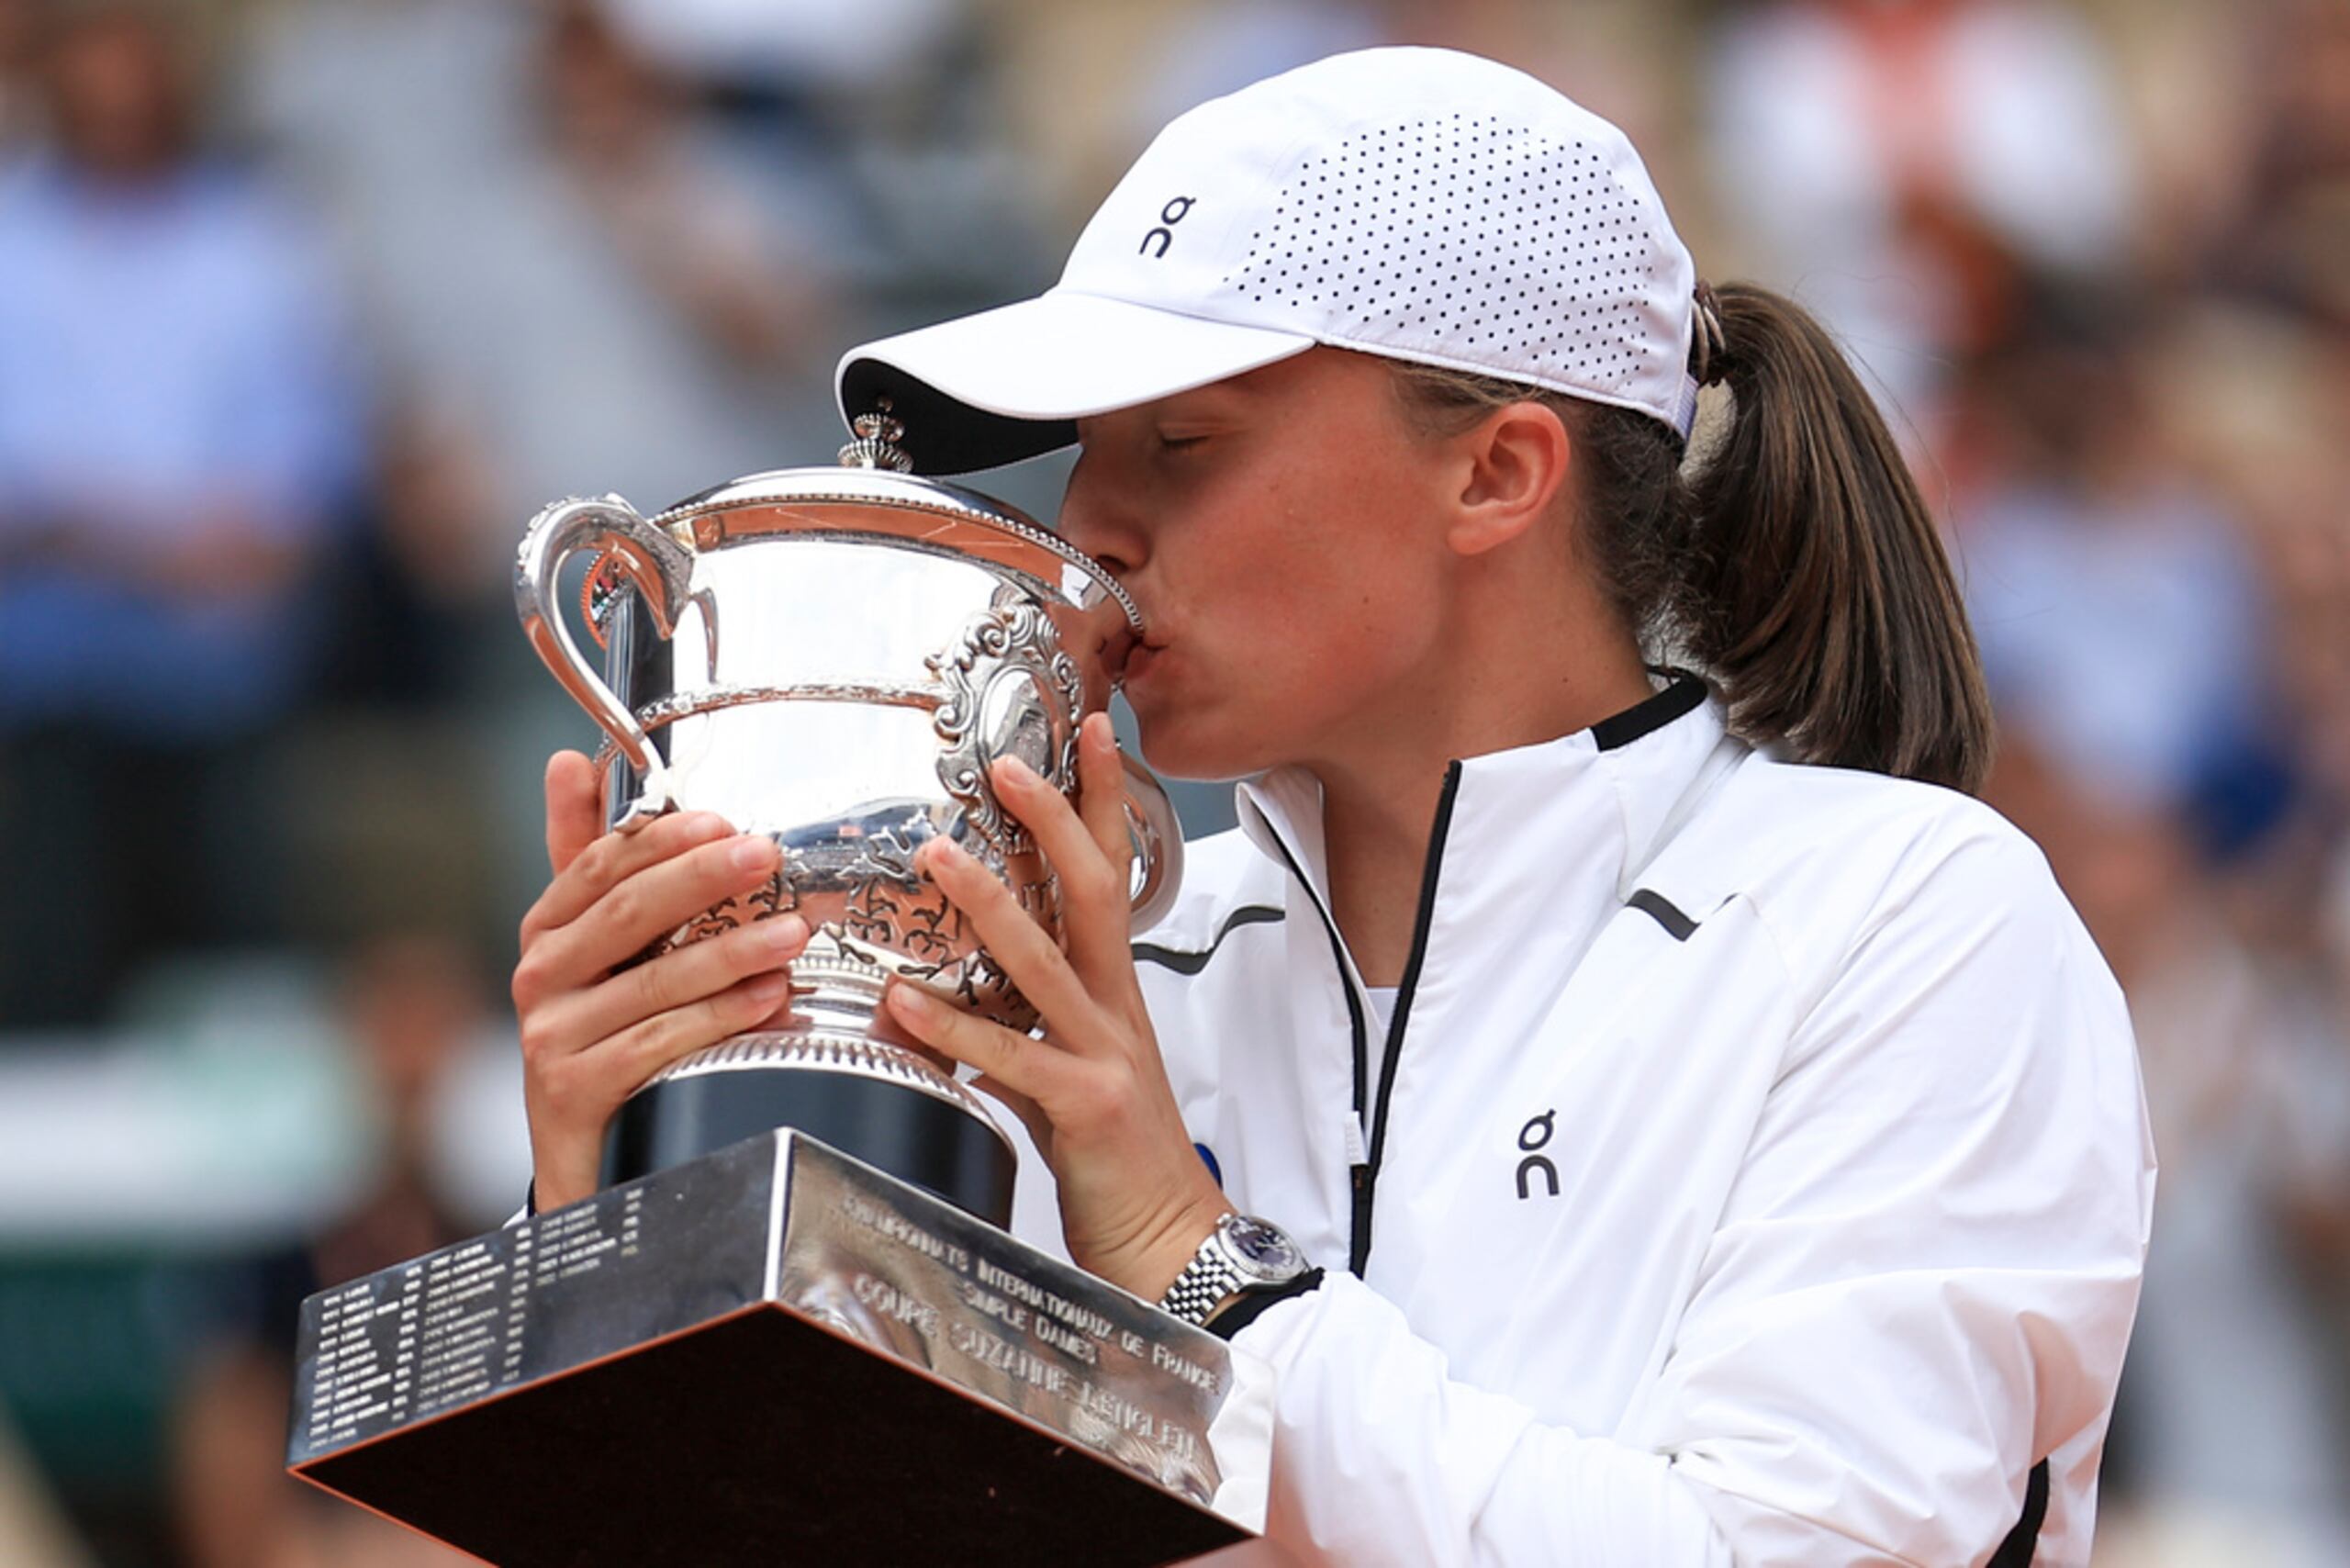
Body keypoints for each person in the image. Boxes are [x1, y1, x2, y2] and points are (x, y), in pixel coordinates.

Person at [509, 48, 2153, 1565]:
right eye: (1088, 449)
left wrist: (1191, 1265)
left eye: (1183, 440)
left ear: (1498, 473)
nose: (1090, 529)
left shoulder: (1909, 921)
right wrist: (623, 1239)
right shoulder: (1080, 979)